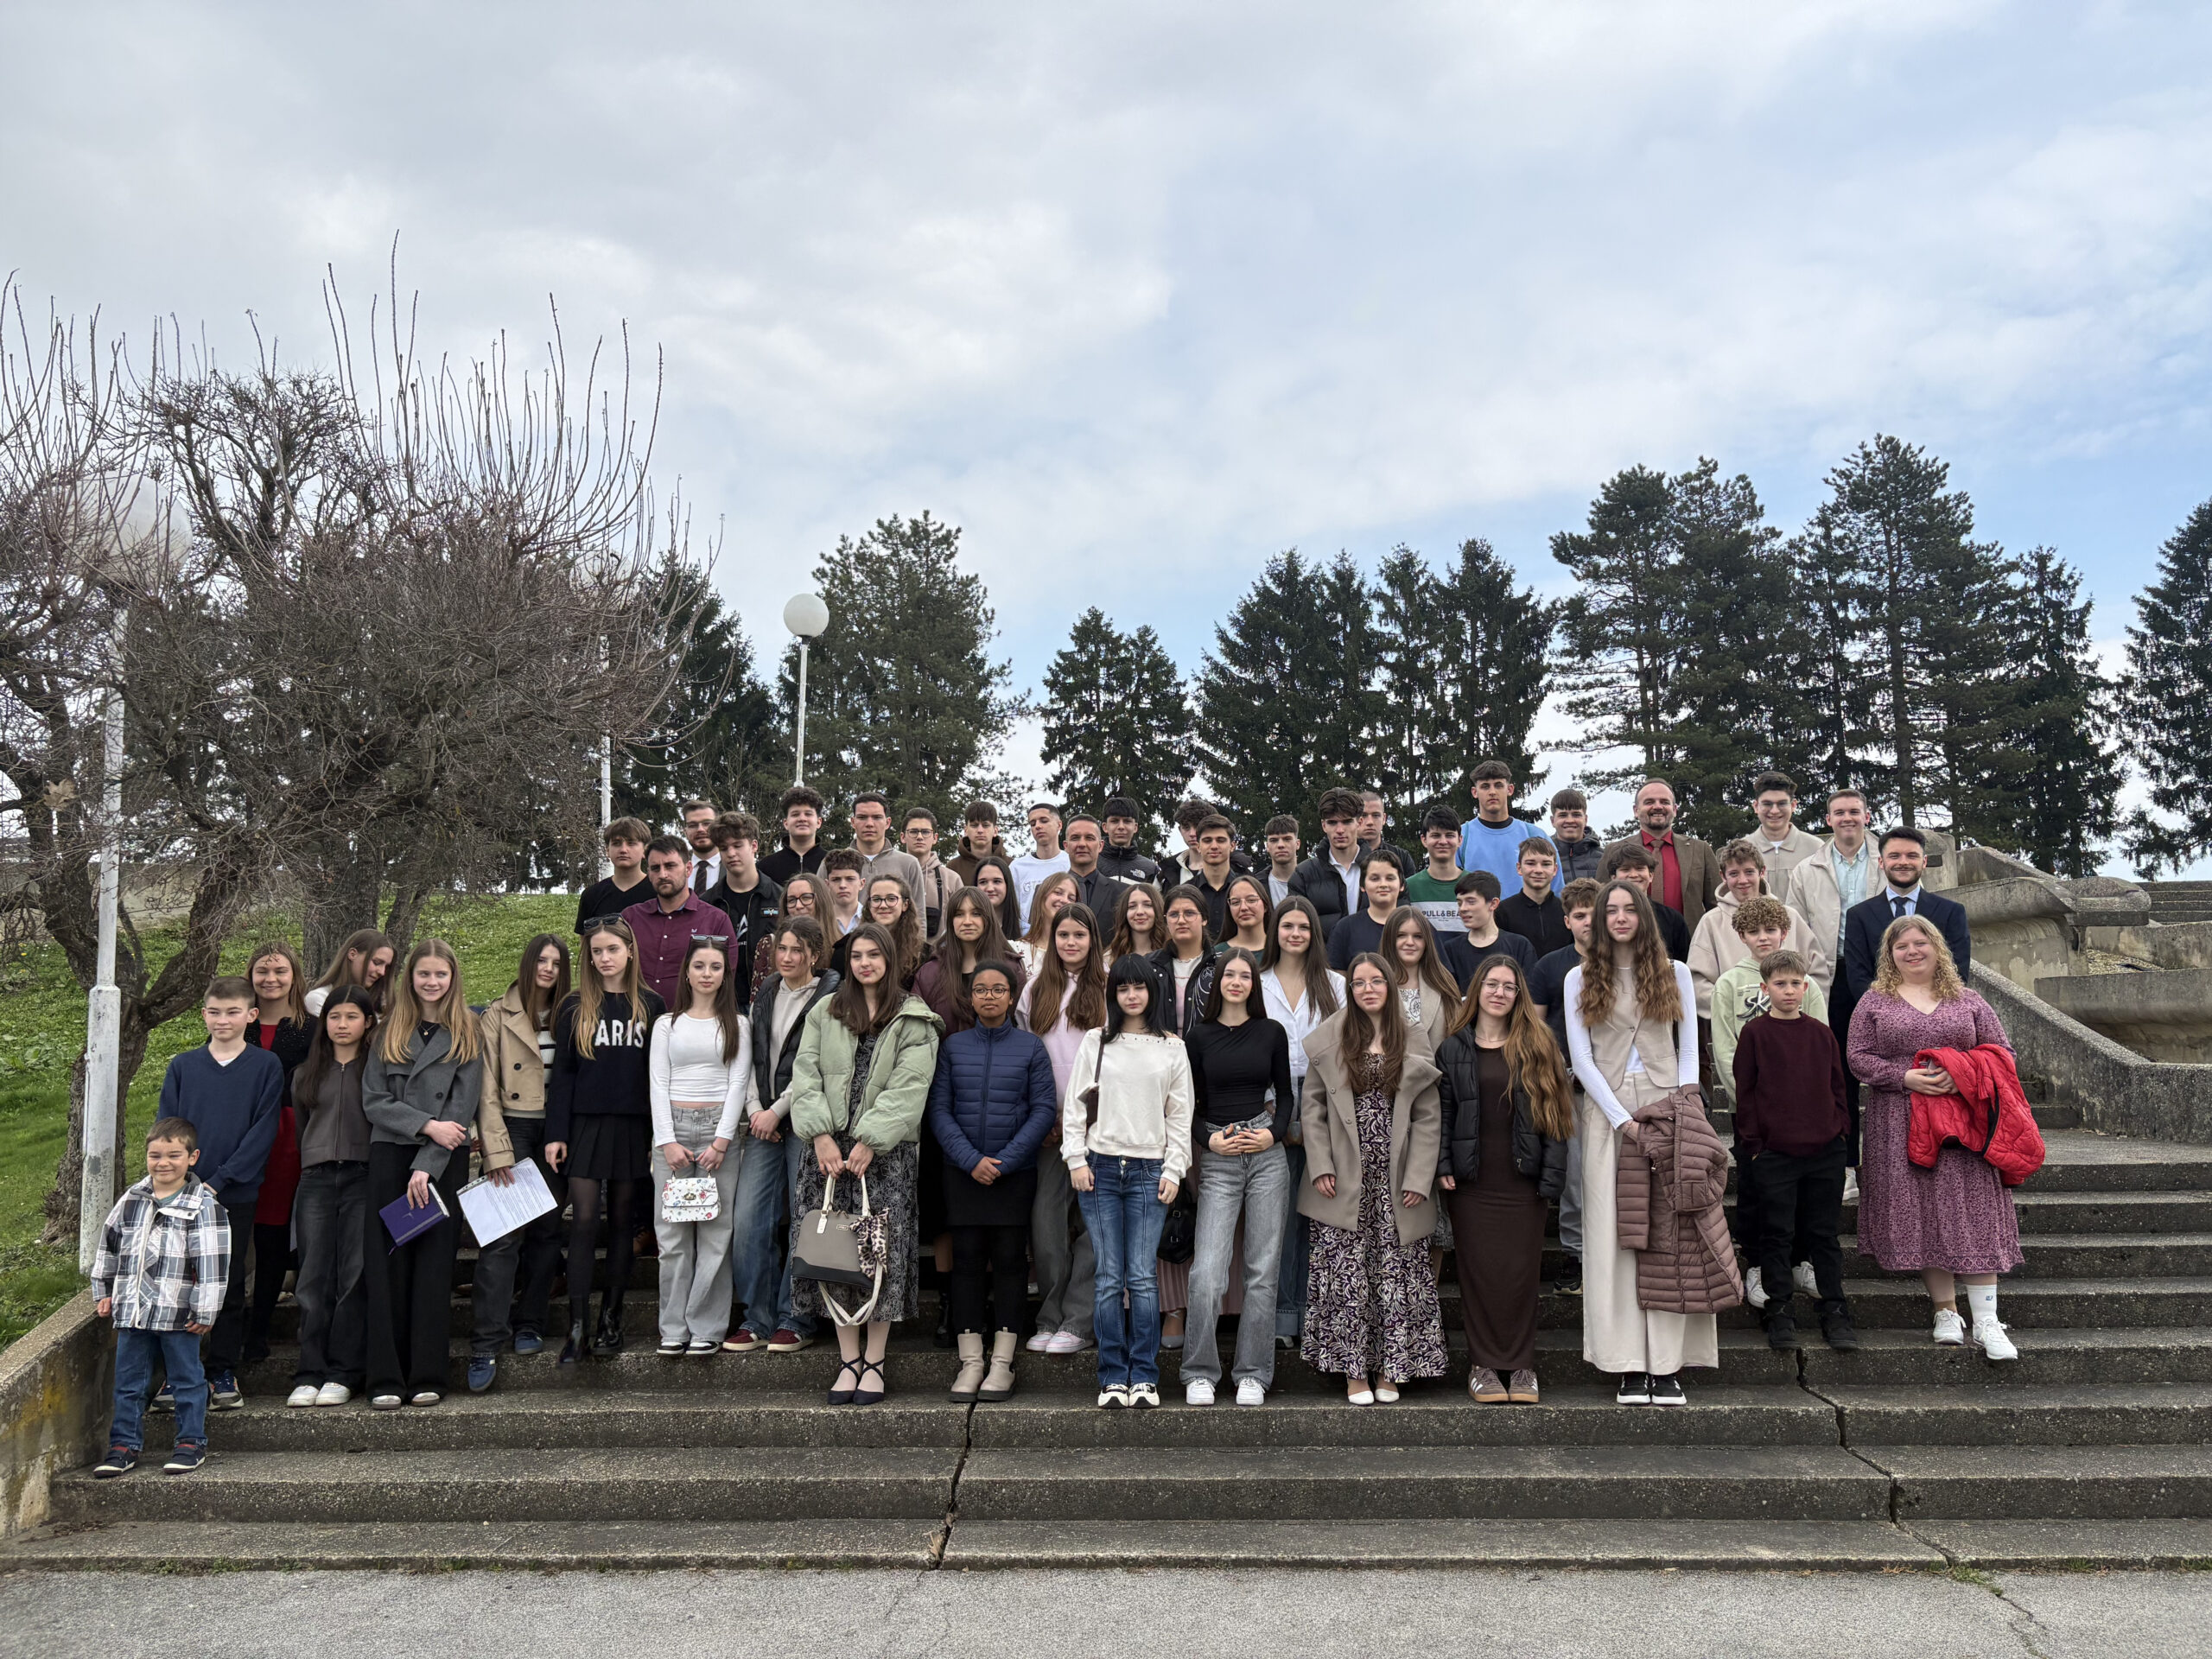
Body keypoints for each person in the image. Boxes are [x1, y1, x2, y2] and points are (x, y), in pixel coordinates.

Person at [1565, 881, 1711, 1408]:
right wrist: (1622, 1120)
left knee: (1671, 1237)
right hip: (1607, 1114)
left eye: (1631, 909)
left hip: (1667, 1104)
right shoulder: (1579, 976)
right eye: (1612, 910)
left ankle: (1668, 1365)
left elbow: (1689, 1047)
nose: (1621, 917)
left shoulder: (1675, 972)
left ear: (1644, 916)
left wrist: (1683, 1105)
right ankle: (1626, 1362)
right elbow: (1581, 1059)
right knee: (1611, 1238)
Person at [1847, 914, 2019, 1359]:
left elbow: (2004, 1053)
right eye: (1901, 946)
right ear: (1889, 955)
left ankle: (1987, 1321)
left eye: (1920, 942)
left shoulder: (1967, 998)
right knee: (1922, 1210)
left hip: (1964, 1123)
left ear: (1937, 947)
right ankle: (1945, 1311)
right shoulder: (1874, 1001)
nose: (1912, 951)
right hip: (1899, 1120)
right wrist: (1903, 1077)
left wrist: (1962, 1072)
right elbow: (1857, 1057)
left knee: (1973, 1209)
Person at [788, 924, 944, 1405]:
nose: (865, 963)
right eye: (857, 956)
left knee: (879, 1255)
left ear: (890, 959)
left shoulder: (914, 1018)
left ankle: (874, 1361)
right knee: (835, 1252)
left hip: (885, 1156)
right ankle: (848, 1360)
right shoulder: (826, 1011)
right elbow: (805, 1074)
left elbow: (910, 1086)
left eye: (874, 955)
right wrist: (820, 1135)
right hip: (829, 1154)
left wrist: (871, 1140)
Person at [1299, 952, 1446, 1404]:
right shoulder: (1332, 1038)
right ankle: (1354, 1372)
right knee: (1347, 1272)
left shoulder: (1412, 1037)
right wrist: (1321, 1165)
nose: (1367, 989)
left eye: (1376, 981)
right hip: (1343, 1175)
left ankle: (1392, 1368)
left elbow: (1428, 1116)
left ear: (1389, 986)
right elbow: (1312, 1107)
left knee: (1396, 1271)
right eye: (1359, 982)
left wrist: (1419, 1177)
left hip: (1397, 1178)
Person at [1437, 956, 1573, 1403]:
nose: (1499, 993)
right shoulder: (1453, 1048)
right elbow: (1444, 1114)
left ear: (1519, 996)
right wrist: (1443, 1166)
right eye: (1492, 984)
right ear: (1476, 990)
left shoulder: (1538, 1044)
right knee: (1479, 1275)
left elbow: (1557, 1118)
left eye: (1509, 987)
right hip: (1472, 1183)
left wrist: (1552, 1178)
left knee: (1519, 1275)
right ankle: (1482, 1365)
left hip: (1523, 1183)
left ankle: (1521, 1366)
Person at [1065, 956, 1193, 1408]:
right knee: (1107, 1278)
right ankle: (1112, 1377)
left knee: (1141, 1277)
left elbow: (1180, 1115)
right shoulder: (1096, 1041)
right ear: (1113, 993)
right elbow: (1074, 1106)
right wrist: (1075, 1160)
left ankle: (1144, 1376)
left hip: (1149, 1170)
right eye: (1123, 988)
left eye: (1139, 987)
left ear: (1153, 993)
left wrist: (1174, 1169)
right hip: (1099, 1168)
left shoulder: (1171, 1048)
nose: (1132, 995)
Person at [928, 962, 1058, 1402]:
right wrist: (971, 1160)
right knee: (966, 1261)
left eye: (998, 989)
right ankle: (971, 1362)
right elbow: (939, 1110)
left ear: (1011, 997)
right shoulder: (952, 1046)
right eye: (981, 990)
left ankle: (1002, 1362)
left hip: (1013, 1173)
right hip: (962, 1173)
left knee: (1009, 1262)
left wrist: (1006, 1161)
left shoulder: (1031, 1047)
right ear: (970, 998)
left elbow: (1043, 1109)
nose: (989, 996)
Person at [362, 940, 484, 1408]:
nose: (432, 982)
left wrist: (427, 1165)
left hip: (442, 1160)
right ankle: (385, 1378)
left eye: (440, 974)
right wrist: (425, 1125)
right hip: (390, 1154)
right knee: (388, 1267)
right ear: (410, 978)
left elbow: (462, 1107)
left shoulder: (467, 1031)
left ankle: (428, 1374)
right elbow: (374, 1101)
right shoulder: (389, 1029)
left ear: (453, 979)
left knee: (434, 1268)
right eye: (423, 974)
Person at [156, 975, 283, 1414]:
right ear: (204, 1014)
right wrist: (183, 1180)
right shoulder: (183, 1066)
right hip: (183, 1194)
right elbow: (168, 1127)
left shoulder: (266, 1066)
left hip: (236, 1193)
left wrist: (222, 1180)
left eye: (232, 1012)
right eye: (214, 1012)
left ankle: (222, 1370)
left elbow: (263, 1130)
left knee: (227, 1283)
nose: (222, 1020)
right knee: (180, 1281)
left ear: (251, 1015)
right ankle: (179, 1374)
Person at [544, 918, 665, 1364]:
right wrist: (556, 1133)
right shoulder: (575, 1006)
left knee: (621, 1224)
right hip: (585, 1125)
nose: (605, 958)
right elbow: (563, 1075)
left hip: (633, 1126)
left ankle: (611, 1320)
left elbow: (657, 1075)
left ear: (630, 951)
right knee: (582, 1221)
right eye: (597, 951)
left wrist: (656, 1133)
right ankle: (577, 1326)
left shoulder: (651, 1005)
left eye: (612, 949)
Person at [1181, 947, 1296, 1407]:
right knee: (1208, 1273)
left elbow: (1286, 1094)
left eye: (1244, 976)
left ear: (1254, 984)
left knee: (1261, 1271)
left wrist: (1274, 1134)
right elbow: (1186, 1104)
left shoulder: (1271, 1032)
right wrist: (1208, 1142)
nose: (1236, 982)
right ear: (1218, 982)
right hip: (1220, 1153)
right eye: (1229, 974)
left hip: (1265, 1153)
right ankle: (1199, 1372)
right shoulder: (1198, 1037)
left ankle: (1252, 1373)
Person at [90, 1118, 230, 1479]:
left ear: (192, 1157)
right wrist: (104, 1290)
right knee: (128, 1383)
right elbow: (109, 1245)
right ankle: (123, 1446)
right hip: (133, 1310)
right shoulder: (132, 1199)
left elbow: (212, 1262)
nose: (163, 1163)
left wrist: (205, 1309)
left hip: (179, 1313)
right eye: (155, 1155)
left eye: (173, 1155)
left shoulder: (203, 1205)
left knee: (186, 1379)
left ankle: (190, 1443)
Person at [1734, 949, 1856, 1353]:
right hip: (1775, 1154)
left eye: (1795, 984)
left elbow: (1838, 1086)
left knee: (1823, 1235)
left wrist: (1840, 1134)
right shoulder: (1755, 1034)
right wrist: (1756, 1146)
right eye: (1780, 984)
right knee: (1777, 1233)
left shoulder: (1821, 1034)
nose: (1788, 991)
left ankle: (1835, 1311)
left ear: (1806, 987)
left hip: (1825, 1151)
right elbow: (1746, 1092)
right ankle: (1779, 1310)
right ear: (1765, 988)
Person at [467, 935, 572, 1382]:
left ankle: (531, 1322)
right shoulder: (496, 1014)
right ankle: (486, 1342)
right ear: (528, 963)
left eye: (557, 962)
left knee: (547, 1232)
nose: (548, 968)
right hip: (513, 1127)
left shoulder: (572, 1012)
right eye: (541, 960)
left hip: (557, 1132)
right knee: (503, 1237)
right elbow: (486, 1088)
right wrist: (496, 1149)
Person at [732, 918, 839, 1355]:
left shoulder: (830, 996)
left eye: (797, 949)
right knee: (748, 1221)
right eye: (782, 949)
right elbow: (752, 1057)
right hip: (762, 1121)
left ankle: (796, 1317)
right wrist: (756, 1110)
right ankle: (756, 1318)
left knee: (803, 1219)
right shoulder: (766, 992)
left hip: (806, 1123)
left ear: (814, 954)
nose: (788, 957)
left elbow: (816, 1064)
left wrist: (777, 1111)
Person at [648, 937, 753, 1356]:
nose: (707, 974)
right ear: (687, 973)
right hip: (673, 1134)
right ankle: (673, 1328)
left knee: (715, 1233)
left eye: (715, 967)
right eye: (699, 966)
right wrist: (667, 1141)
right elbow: (658, 1083)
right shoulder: (666, 1025)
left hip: (717, 1133)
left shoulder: (737, 1024)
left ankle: (706, 1327)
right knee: (672, 1237)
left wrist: (722, 1141)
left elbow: (738, 1082)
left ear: (725, 975)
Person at [1017, 904, 1109, 1354]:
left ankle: (1078, 1320)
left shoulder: (1109, 987)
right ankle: (1049, 1316)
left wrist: (1089, 1116)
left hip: (1100, 1124)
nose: (1070, 943)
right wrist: (1045, 1116)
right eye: (1063, 935)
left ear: (1093, 940)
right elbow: (1027, 1056)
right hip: (1049, 1127)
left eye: (1079, 935)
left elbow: (1117, 1059)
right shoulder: (1036, 989)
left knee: (1095, 1224)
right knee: (1047, 1221)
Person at [284, 987, 377, 1408]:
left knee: (353, 1275)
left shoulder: (376, 1071)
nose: (342, 1025)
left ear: (367, 1022)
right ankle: (310, 1372)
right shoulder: (306, 1074)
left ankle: (344, 1371)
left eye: (351, 1016)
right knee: (313, 1276)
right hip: (317, 1180)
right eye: (334, 1016)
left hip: (363, 1177)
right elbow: (303, 1127)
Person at [1259, 896, 1343, 1353]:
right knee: (1281, 1217)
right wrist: (1271, 1106)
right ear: (1275, 932)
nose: (1295, 934)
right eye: (1287, 926)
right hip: (1269, 1103)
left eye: (1303, 927)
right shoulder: (1257, 981)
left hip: (1326, 1103)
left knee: (1321, 1213)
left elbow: (1347, 1049)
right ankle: (1281, 1317)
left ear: (1314, 933)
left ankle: (1318, 1315)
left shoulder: (1335, 985)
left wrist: (1319, 1110)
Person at [1526, 879, 1600, 1297]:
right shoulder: (1550, 966)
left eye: (1595, 913)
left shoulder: (1623, 962)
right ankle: (1576, 1254)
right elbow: (1535, 1029)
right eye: (1580, 915)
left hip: (1616, 1086)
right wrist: (1555, 1069)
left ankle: (1614, 1254)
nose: (1588, 921)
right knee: (1574, 1176)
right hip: (1566, 1086)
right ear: (1567, 921)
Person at [241, 943, 312, 1364]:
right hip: (242, 1135)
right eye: (262, 971)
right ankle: (240, 1327)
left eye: (280, 971)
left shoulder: (310, 1028)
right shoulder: (238, 1023)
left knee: (277, 1236)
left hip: (289, 1139)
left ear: (294, 976)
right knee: (247, 1239)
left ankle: (263, 1330)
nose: (271, 979)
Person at [1688, 839, 1831, 1017]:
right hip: (1737, 1024)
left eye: (1749, 872)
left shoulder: (1789, 916)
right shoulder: (1711, 922)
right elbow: (1697, 982)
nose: (1742, 880)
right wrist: (1734, 1009)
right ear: (1723, 876)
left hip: (1792, 1022)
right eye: (1734, 874)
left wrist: (1800, 1010)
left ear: (1762, 872)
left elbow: (1817, 973)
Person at [1711, 899, 1831, 1081]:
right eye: (1753, 931)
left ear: (1784, 932)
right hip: (1748, 1092)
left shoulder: (1805, 983)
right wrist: (1743, 1091)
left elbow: (1820, 1043)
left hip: (1801, 1087)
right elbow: (1724, 1049)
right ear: (1742, 936)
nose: (1763, 938)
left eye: (1770, 930)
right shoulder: (1727, 984)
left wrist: (1808, 1087)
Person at [621, 835, 735, 1007]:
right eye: (655, 868)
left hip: (691, 1018)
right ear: (649, 873)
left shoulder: (716, 921)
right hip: (636, 1017)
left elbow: (726, 977)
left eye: (670, 866)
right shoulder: (631, 918)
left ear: (688, 869)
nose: (663, 874)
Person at [1778, 787, 1878, 973]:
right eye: (1839, 813)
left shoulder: (1890, 864)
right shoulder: (1806, 871)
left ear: (1866, 817)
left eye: (1854, 812)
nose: (1847, 818)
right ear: (1829, 819)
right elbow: (1795, 928)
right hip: (1829, 971)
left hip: (1882, 969)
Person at [1603, 779, 1723, 931]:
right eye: (1649, 802)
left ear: (1675, 809)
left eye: (1664, 802)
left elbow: (1717, 905)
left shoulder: (1700, 850)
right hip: (1631, 941)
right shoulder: (1614, 850)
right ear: (1636, 810)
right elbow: (1600, 903)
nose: (1658, 806)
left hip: (1690, 942)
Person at [915, 887, 1026, 1032]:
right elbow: (918, 1029)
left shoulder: (1011, 968)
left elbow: (1020, 1026)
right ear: (951, 921)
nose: (967, 921)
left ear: (988, 918)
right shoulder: (929, 973)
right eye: (959, 914)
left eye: (976, 914)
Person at [1456, 759, 1550, 893]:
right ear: (1474, 792)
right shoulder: (1460, 837)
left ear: (1510, 789)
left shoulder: (1534, 835)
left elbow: (1556, 889)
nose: (1492, 792)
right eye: (1485, 786)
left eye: (1498, 785)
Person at [706, 811, 782, 967]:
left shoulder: (780, 898)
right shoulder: (708, 903)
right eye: (724, 848)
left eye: (737, 845)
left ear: (754, 846)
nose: (731, 853)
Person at [1287, 787, 1367, 933]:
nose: (1340, 830)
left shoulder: (1384, 869)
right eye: (1332, 823)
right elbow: (1295, 927)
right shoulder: (1304, 874)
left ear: (1359, 822)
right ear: (1324, 825)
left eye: (1347, 822)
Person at [1382, 906, 1461, 1049]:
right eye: (1401, 935)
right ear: (1389, 939)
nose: (1410, 942)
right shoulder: (1374, 983)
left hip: (1437, 1062)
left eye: (1418, 936)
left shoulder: (1444, 982)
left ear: (1427, 942)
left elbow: (1457, 1034)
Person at [1442, 871, 1536, 988]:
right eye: (1459, 903)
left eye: (1471, 902)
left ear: (1493, 904)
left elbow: (1528, 992)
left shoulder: (1519, 946)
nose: (1463, 909)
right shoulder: (1451, 949)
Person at [1148, 885, 1219, 1039]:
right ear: (1166, 920)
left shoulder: (1220, 965)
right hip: (1159, 1050)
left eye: (1189, 913)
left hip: (1208, 1050)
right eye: (1174, 914)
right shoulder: (1149, 965)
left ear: (1204, 919)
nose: (1181, 920)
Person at [1602, 844, 1692, 961]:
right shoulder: (1601, 916)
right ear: (1613, 878)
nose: (1633, 875)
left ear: (1651, 876)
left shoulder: (1673, 919)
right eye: (1625, 869)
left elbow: (1684, 962)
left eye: (1640, 868)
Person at [836, 874, 925, 986]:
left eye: (891, 899)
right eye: (876, 899)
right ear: (869, 905)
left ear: (905, 905)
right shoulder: (846, 949)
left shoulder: (922, 955)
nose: (883, 905)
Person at [753, 871, 835, 995]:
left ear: (821, 901)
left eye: (806, 898)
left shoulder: (840, 947)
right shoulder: (769, 945)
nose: (798, 905)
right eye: (791, 900)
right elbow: (758, 1000)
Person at [851, 791, 927, 912]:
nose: (869, 824)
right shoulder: (834, 862)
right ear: (853, 822)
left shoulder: (908, 864)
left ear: (887, 823)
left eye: (877, 817)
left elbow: (919, 916)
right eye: (862, 817)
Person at [1497, 837, 1572, 958]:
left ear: (1555, 870)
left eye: (1546, 864)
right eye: (1531, 863)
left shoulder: (1567, 910)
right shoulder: (1502, 912)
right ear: (1519, 868)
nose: (1538, 870)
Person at [575, 817, 652, 933]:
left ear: (645, 851)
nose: (623, 850)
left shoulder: (658, 892)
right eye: (616, 843)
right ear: (607, 850)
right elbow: (585, 942)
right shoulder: (592, 895)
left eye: (631, 843)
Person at [1327, 855, 1405, 970]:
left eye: (1390, 878)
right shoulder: (1345, 929)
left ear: (1402, 885)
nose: (1383, 884)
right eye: (1375, 879)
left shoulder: (1417, 928)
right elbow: (1336, 975)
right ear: (1362, 886)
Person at [1749, 771, 1824, 885]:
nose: (1774, 811)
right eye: (1767, 804)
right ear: (1756, 806)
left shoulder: (1816, 849)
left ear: (1793, 805)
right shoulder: (1741, 850)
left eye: (1782, 804)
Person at [1408, 807, 1471, 936]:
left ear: (1460, 840)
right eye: (1436, 835)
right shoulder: (1409, 887)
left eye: (1449, 835)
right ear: (1424, 840)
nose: (1443, 841)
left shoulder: (1474, 885)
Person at [304, 929, 396, 1018]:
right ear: (352, 954)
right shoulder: (319, 999)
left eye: (387, 967)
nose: (382, 972)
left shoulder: (382, 1007)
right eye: (377, 962)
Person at [903, 805, 963, 938]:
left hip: (940, 950)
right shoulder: (891, 876)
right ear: (903, 837)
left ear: (935, 838)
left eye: (925, 832)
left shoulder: (952, 880)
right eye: (913, 832)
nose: (919, 837)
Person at [1012, 802, 1073, 929]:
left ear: (1059, 825)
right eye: (1033, 823)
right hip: (1028, 935)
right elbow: (1011, 909)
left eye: (1044, 821)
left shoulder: (1070, 862)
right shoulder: (1017, 867)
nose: (1038, 826)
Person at [1010, 869, 1079, 977]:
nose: (1065, 900)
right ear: (1042, 897)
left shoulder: (1077, 952)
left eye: (1071, 898)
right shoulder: (1016, 950)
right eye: (1058, 893)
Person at [1185, 813, 1243, 938]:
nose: (1214, 846)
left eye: (1221, 840)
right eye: (1207, 841)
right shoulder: (1185, 893)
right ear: (1198, 846)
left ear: (1232, 846)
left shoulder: (1248, 890)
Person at [758, 785, 828, 887]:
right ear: (786, 823)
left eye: (808, 814)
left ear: (819, 822)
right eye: (795, 814)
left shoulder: (833, 863)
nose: (802, 819)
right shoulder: (765, 868)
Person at [1065, 813, 1127, 922]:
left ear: (1100, 845)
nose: (1082, 844)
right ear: (1066, 846)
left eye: (1089, 838)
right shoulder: (1047, 892)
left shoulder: (1123, 893)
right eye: (1075, 838)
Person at [1548, 788, 1604, 886]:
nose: (1570, 820)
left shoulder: (1603, 858)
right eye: (1563, 815)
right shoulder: (1543, 858)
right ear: (1553, 821)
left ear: (1585, 819)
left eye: (1576, 815)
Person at [947, 801, 1010, 886]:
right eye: (974, 825)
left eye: (985, 825)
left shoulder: (1011, 865)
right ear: (966, 830)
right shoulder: (953, 867)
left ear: (995, 831)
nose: (980, 830)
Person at [1355, 790, 1416, 878]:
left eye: (1376, 815)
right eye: (1364, 815)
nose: (1370, 822)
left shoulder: (1402, 858)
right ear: (1355, 819)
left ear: (1384, 819)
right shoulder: (1342, 856)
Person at [1098, 796, 1160, 883]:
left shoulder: (1150, 869)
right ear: (1105, 827)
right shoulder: (1091, 863)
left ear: (1135, 827)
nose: (1121, 827)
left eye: (1127, 821)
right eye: (1114, 821)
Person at [969, 854, 1023, 941]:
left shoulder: (1026, 932)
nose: (990, 889)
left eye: (997, 881)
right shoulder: (964, 928)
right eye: (983, 882)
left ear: (1007, 885)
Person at [1109, 881, 1166, 961]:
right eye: (1132, 906)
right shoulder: (1109, 960)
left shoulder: (1174, 955)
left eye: (1147, 905)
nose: (1140, 912)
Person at [1218, 871, 1273, 955]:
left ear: (1265, 906)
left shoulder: (1281, 950)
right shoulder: (1218, 954)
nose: (1243, 907)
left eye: (1251, 900)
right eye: (1236, 902)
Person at [821, 849, 868, 941]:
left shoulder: (872, 919)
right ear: (827, 885)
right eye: (836, 879)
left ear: (862, 884)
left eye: (850, 879)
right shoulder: (820, 921)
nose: (842, 885)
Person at [680, 797, 723, 892]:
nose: (700, 829)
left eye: (707, 823)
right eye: (692, 825)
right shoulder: (677, 870)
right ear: (685, 832)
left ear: (718, 828)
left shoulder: (734, 868)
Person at [1261, 815, 1303, 906]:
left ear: (1297, 844)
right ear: (1267, 846)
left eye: (1287, 839)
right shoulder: (1256, 886)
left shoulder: (1313, 881)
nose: (1280, 845)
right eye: (1273, 840)